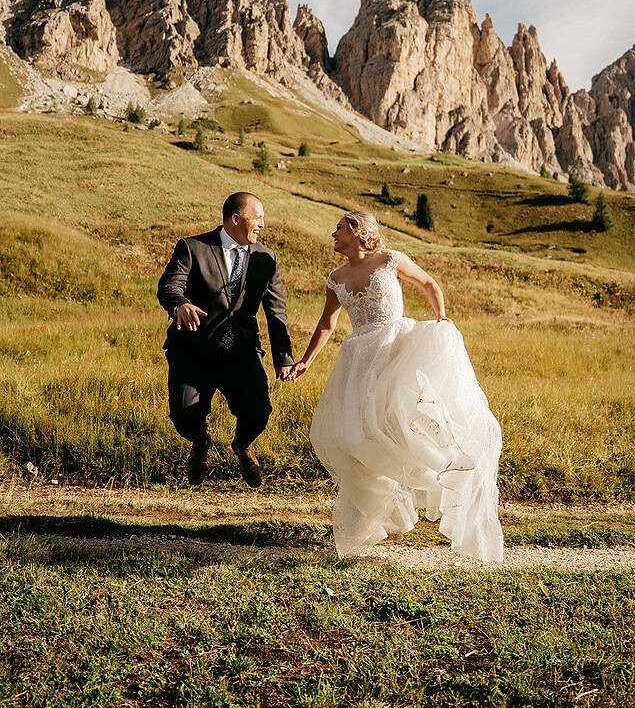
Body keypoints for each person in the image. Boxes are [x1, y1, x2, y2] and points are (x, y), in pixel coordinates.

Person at [290, 211, 503, 562]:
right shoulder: (335, 277)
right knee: (352, 435)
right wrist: (306, 362)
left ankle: (447, 473)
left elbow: (429, 285)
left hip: (397, 347)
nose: (333, 233)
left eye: (339, 229)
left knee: (405, 422)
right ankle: (384, 511)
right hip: (359, 358)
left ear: (358, 233)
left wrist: (441, 317)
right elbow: (327, 324)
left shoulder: (390, 260)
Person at [158, 191, 294, 488]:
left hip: (241, 352)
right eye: (257, 217)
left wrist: (284, 358)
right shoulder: (193, 248)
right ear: (236, 218)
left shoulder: (266, 258)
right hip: (194, 350)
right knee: (183, 416)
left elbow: (276, 311)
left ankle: (243, 444)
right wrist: (179, 304)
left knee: (259, 411)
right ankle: (201, 442)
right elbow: (170, 286)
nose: (262, 224)